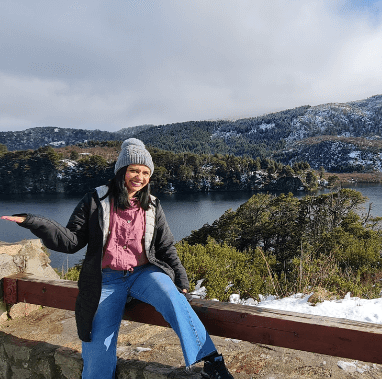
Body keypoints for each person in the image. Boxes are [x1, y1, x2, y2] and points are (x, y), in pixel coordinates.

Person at [1, 138, 233, 379]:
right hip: (106, 280)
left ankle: (212, 361)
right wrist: (34, 221)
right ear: (122, 170)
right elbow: (70, 241)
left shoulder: (152, 205)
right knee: (97, 344)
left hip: (144, 273)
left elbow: (165, 247)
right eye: (134, 170)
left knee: (173, 299)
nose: (139, 177)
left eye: (145, 172)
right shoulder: (96, 200)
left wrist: (181, 280)